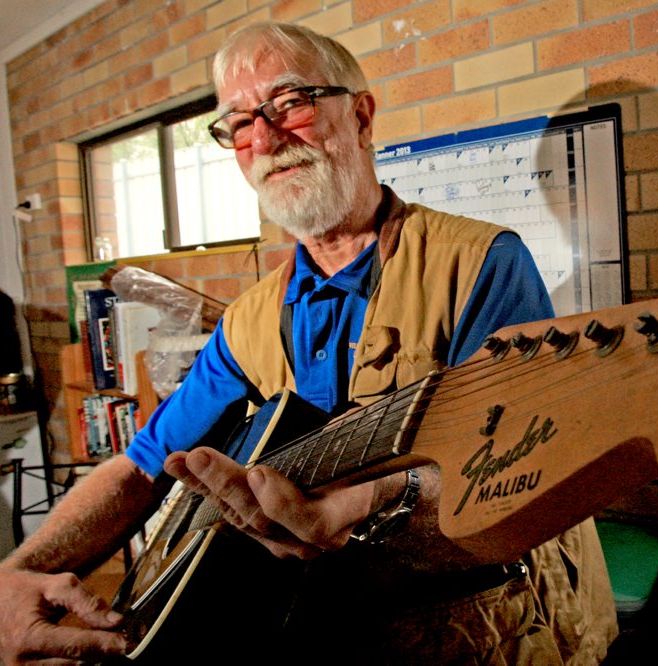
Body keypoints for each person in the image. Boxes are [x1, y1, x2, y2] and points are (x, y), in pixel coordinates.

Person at [0, 22, 616, 664]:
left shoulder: (480, 263)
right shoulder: (249, 320)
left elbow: (530, 468)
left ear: (361, 114)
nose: (264, 138)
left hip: (494, 632)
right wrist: (11, 577)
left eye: (290, 103)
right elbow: (139, 470)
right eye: (238, 123)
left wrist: (378, 501)